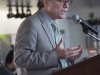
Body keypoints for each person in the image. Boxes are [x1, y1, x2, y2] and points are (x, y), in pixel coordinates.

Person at [14, 0, 84, 75]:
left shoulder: (53, 25)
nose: (66, 5)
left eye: (68, 1)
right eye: (62, 1)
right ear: (46, 2)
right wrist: (55, 55)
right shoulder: (31, 23)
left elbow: (56, 59)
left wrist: (67, 58)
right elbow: (20, 59)